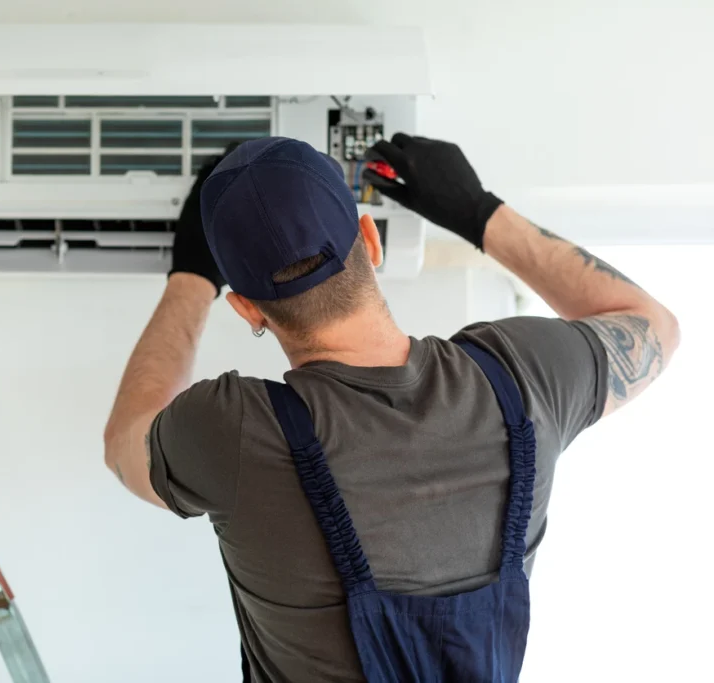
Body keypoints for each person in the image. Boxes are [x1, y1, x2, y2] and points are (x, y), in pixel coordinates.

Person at [103, 135, 679, 682]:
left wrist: (188, 279)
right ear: (370, 240)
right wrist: (478, 213)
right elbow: (655, 326)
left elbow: (125, 446)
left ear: (247, 309)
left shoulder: (232, 430)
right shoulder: (522, 376)